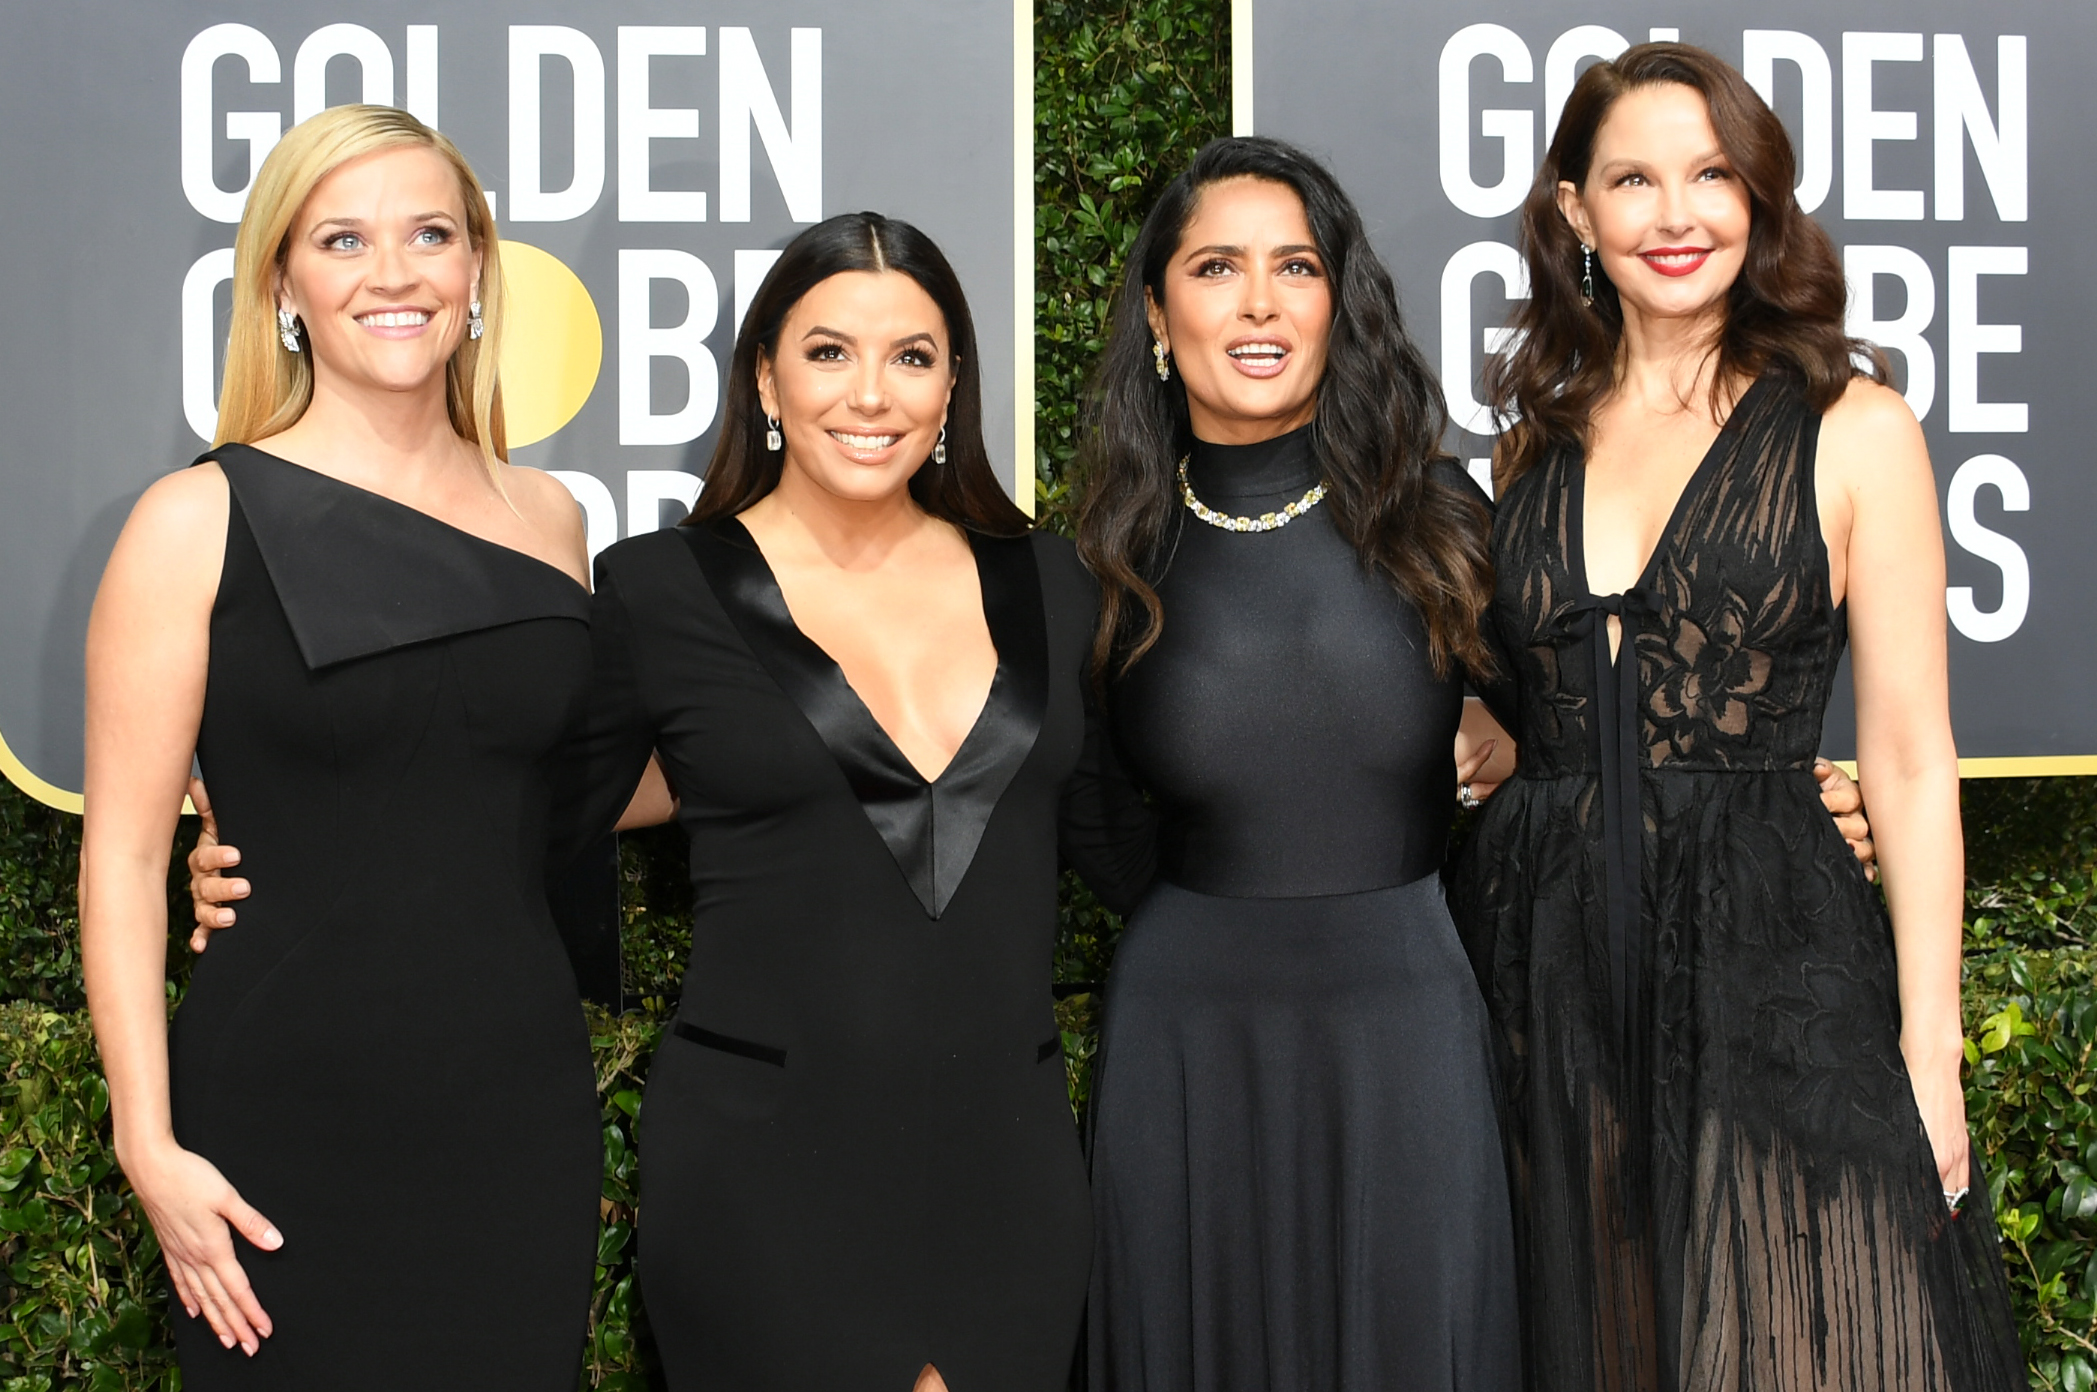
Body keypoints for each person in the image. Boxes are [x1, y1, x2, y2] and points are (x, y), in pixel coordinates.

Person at [189, 211, 1156, 1390]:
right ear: (766, 376)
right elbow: (512, 807)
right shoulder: (658, 591)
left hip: (1007, 1172)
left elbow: (1130, 839)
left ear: (955, 383)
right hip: (766, 1177)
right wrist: (278, 847)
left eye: (912, 355)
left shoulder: (1055, 584)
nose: (872, 393)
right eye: (827, 351)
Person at [1072, 134, 1876, 1392]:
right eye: (1217, 268)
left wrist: (1803, 795)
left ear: (1342, 301)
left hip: (1408, 1025)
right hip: (1186, 1039)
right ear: (1159, 314)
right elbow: (1087, 822)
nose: (1261, 301)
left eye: (1296, 265)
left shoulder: (1444, 518)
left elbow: (1585, 739)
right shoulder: (1103, 562)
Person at [1449, 43, 2026, 1391]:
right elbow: (1534, 712)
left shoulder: (1855, 425)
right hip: (1543, 977)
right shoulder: (1534, 433)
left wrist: (1926, 1052)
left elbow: (1907, 752)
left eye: (1712, 174)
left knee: (1800, 1345)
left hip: (1772, 967)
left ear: (1761, 199)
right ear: (1575, 212)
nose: (1676, 213)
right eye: (1633, 179)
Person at [80, 106, 600, 1387]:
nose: (394, 273)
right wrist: (147, 1145)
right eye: (344, 238)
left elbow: (546, 785)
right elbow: (125, 856)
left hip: (515, 1103)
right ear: (284, 282)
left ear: (477, 268)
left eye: (430, 233)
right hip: (282, 1113)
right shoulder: (193, 521)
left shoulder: (552, 519)